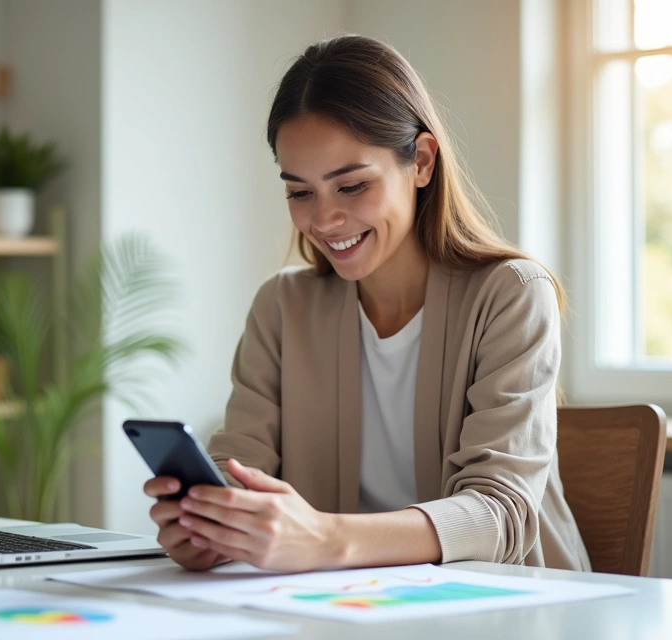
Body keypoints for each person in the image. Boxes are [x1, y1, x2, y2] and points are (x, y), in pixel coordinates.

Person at [144, 35, 591, 573]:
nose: (325, 220)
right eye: (300, 192)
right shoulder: (282, 307)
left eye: (351, 186)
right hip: (341, 606)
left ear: (421, 162)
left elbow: (499, 513)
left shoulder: (512, 294)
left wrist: (326, 538)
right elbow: (239, 461)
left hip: (508, 607)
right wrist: (211, 522)